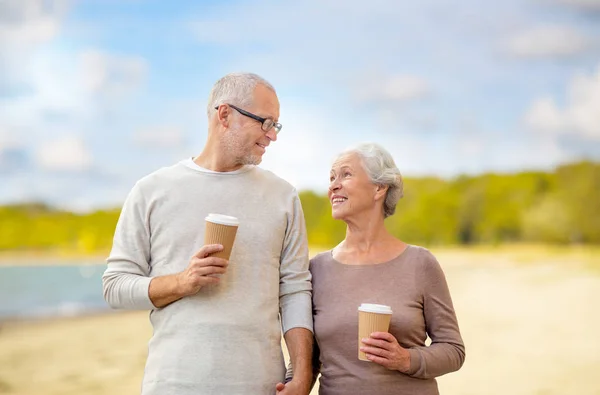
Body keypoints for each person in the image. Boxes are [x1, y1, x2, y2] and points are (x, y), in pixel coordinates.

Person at [102, 72, 314, 395]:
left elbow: (296, 291)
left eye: (276, 125)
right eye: (265, 122)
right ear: (225, 115)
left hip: (261, 386)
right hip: (173, 384)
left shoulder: (283, 197)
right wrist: (182, 282)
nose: (272, 135)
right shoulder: (151, 191)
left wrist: (300, 375)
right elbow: (115, 286)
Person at [290, 142, 465, 394]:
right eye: (331, 178)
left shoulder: (420, 264)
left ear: (379, 187)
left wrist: (405, 359)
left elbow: (453, 349)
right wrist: (290, 383)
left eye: (346, 174)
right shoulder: (317, 269)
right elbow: (306, 360)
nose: (333, 186)